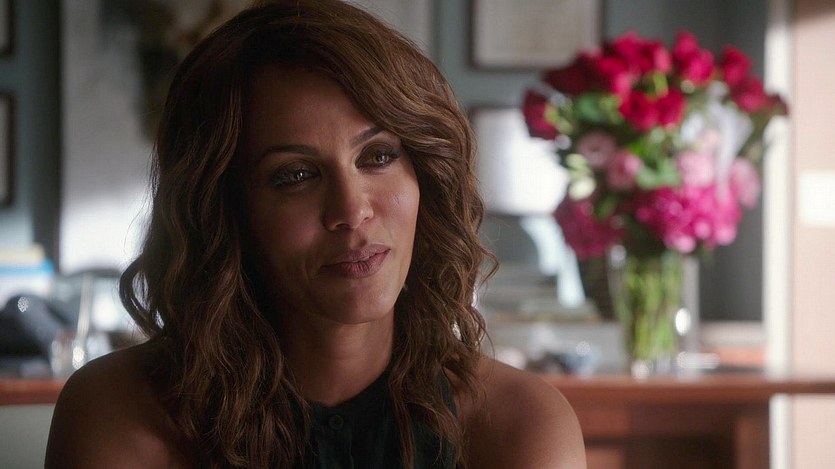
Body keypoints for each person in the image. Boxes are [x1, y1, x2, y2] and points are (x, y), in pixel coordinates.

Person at [45, 1, 585, 467]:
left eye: (378, 156)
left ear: (425, 175)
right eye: (296, 176)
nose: (351, 211)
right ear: (225, 210)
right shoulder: (119, 411)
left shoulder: (519, 423)